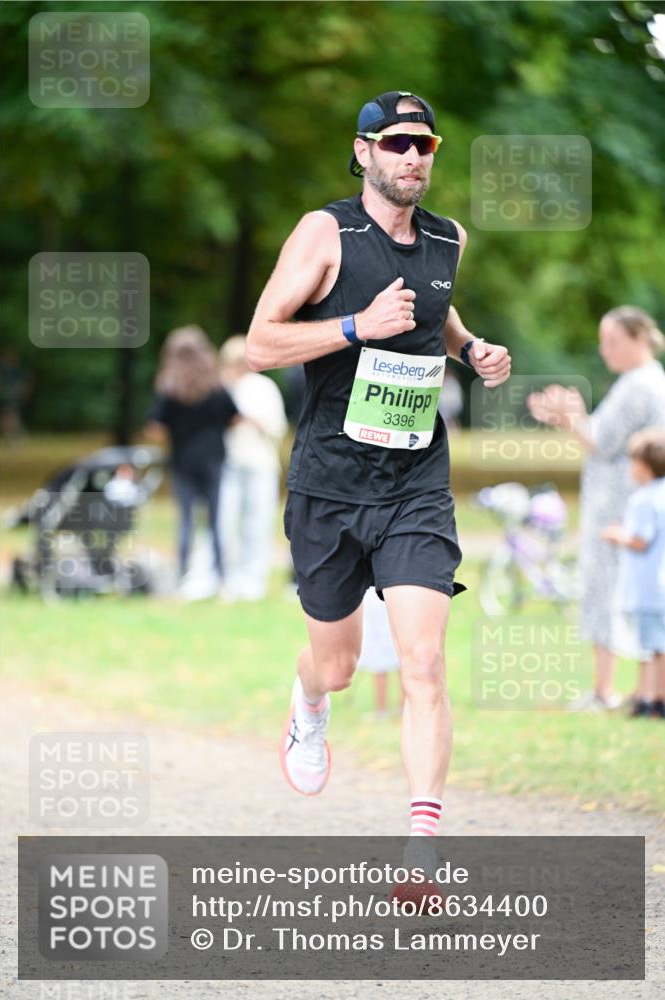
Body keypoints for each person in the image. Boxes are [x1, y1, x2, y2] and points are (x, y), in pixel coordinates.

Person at [246, 91, 511, 869]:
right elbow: (261, 343)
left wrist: (469, 350)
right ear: (361, 151)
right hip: (328, 482)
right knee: (338, 665)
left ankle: (421, 847)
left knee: (425, 662)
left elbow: (436, 310)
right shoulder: (324, 234)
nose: (411, 157)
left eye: (423, 145)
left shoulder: (447, 240)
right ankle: (309, 701)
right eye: (394, 144)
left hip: (414, 483)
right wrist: (358, 325)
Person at [527, 306, 665, 711]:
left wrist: (568, 417)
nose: (605, 351)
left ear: (639, 339)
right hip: (628, 502)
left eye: (613, 342)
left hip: (617, 507)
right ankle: (640, 689)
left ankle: (605, 689)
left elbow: (601, 441)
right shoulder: (645, 381)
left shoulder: (639, 385)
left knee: (607, 591)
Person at [145, 325, 237, 593]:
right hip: (214, 458)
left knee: (185, 521)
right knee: (216, 520)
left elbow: (155, 428)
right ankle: (222, 578)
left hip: (182, 460)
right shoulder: (216, 385)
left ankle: (181, 576)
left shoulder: (168, 388)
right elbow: (233, 417)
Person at [218, 335, 287, 601]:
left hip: (260, 464)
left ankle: (253, 580)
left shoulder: (263, 387)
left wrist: (253, 421)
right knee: (226, 522)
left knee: (257, 523)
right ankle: (227, 578)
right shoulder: (222, 387)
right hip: (228, 464)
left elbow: (277, 426)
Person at [602, 428, 665, 719]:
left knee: (652, 647)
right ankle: (646, 694)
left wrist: (618, 535)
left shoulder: (643, 499)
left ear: (644, 465)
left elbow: (640, 540)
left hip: (647, 588)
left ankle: (653, 698)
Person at [357, 586, 403, 719]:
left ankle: (383, 709)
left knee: (380, 654)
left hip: (380, 593)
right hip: (395, 591)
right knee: (396, 649)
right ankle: (399, 706)